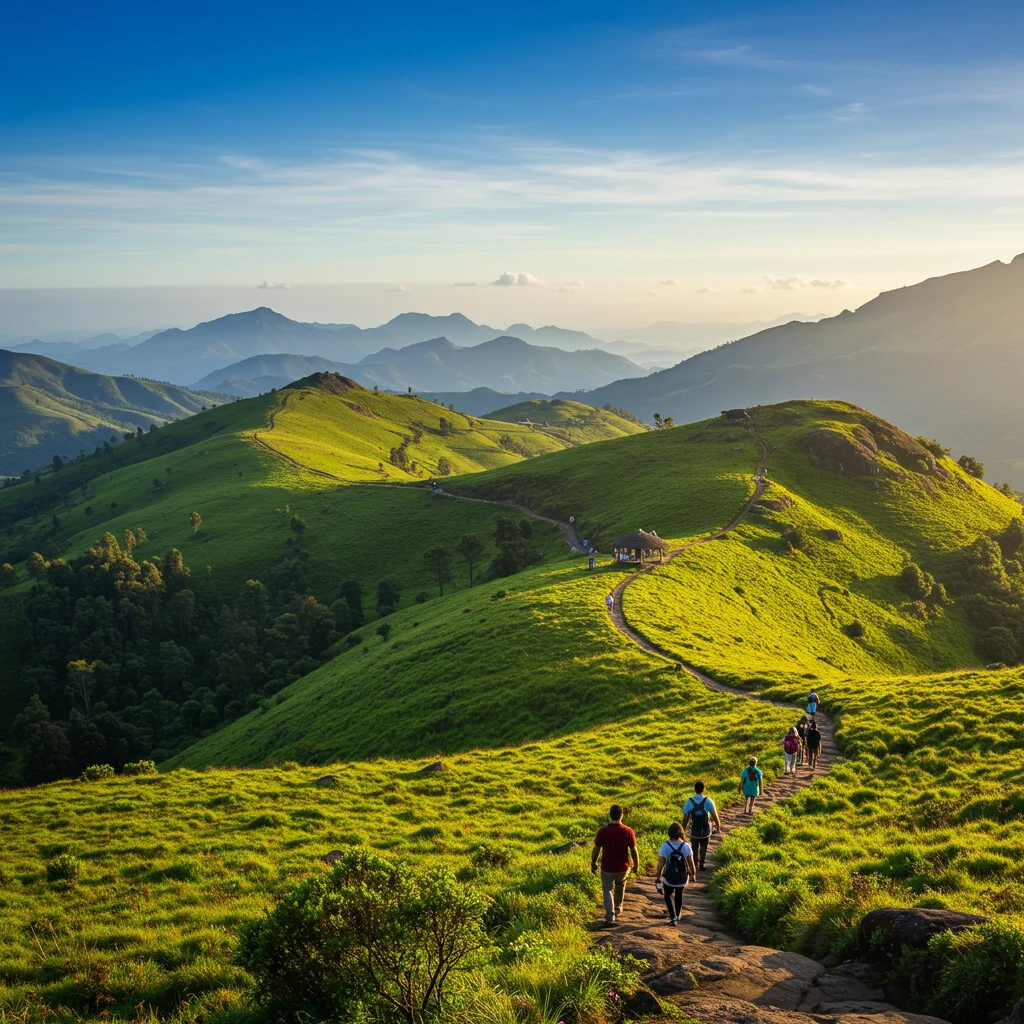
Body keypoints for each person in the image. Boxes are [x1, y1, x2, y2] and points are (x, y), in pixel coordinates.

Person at [591, 804, 639, 927]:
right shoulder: (628, 831)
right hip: (622, 867)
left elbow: (596, 849)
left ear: (610, 815)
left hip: (606, 867)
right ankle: (617, 908)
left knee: (607, 890)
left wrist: (593, 863)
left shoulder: (602, 831)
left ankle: (609, 916)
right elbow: (634, 850)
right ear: (621, 815)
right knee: (620, 886)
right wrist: (636, 865)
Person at [654, 822, 695, 925]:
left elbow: (661, 864)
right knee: (679, 895)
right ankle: (678, 914)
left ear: (669, 833)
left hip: (669, 878)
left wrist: (658, 876)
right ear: (681, 833)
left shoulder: (665, 846)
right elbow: (691, 863)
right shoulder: (686, 846)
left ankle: (672, 916)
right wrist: (693, 874)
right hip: (682, 877)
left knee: (667, 895)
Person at [682, 781, 722, 870]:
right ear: (703, 789)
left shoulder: (689, 801)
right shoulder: (709, 801)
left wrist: (683, 830)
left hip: (694, 830)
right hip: (706, 830)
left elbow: (685, 818)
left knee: (694, 848)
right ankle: (702, 864)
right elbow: (715, 816)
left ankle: (695, 864)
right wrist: (718, 827)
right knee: (704, 847)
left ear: (694, 789)